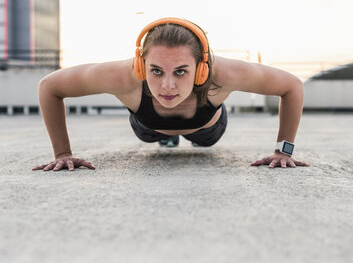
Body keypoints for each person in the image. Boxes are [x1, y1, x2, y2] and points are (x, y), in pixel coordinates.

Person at [32, 17, 309, 171]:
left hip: (207, 130)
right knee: (155, 135)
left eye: (180, 72)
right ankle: (167, 139)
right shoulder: (123, 76)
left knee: (205, 142)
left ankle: (180, 138)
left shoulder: (223, 73)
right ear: (141, 65)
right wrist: (62, 153)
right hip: (148, 128)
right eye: (155, 71)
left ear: (202, 69)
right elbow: (50, 87)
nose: (167, 86)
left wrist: (283, 151)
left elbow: (291, 86)